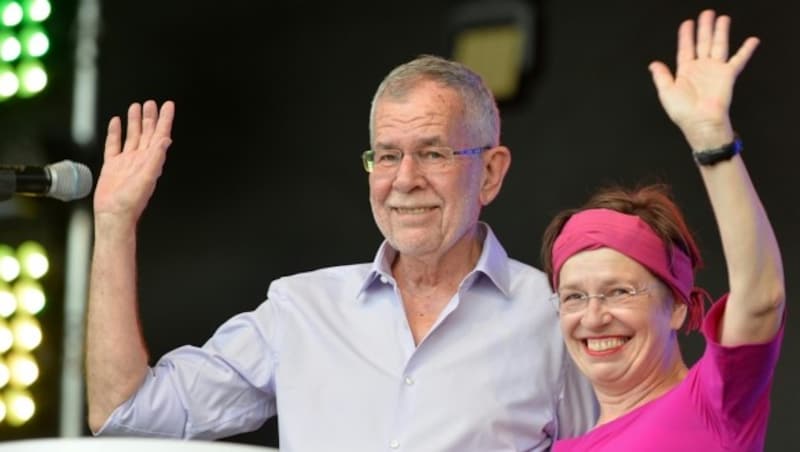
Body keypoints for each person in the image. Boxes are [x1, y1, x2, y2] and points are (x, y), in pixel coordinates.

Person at [85, 55, 597, 450]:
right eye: (388, 155)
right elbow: (125, 411)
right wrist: (113, 225)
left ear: (490, 172)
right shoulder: (300, 309)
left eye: (434, 153)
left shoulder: (555, 316)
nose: (405, 180)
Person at [541, 10, 785, 451]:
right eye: (575, 296)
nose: (593, 317)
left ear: (676, 305)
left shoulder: (712, 404)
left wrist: (712, 140)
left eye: (618, 292)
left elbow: (762, 300)